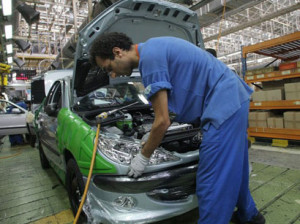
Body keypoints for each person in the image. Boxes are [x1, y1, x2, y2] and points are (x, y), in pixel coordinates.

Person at [89, 32, 265, 224]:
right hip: (232, 99)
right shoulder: (153, 47)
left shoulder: (149, 60)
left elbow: (162, 121)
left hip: (223, 106)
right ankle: (250, 216)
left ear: (117, 52)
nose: (113, 75)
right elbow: (171, 109)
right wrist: (153, 132)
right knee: (233, 167)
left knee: (211, 181)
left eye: (109, 69)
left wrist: (143, 156)